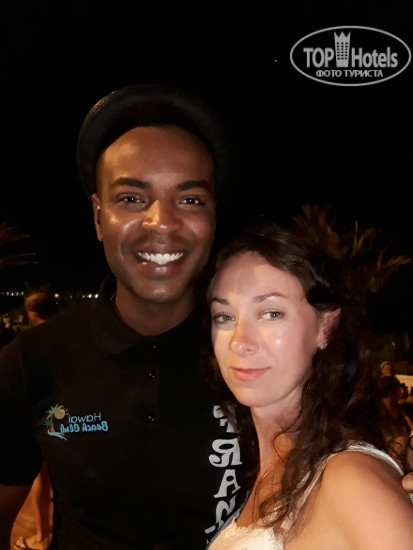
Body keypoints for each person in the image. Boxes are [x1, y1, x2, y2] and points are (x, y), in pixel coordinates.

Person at [0, 84, 253, 550]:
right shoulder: (33, 360)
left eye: (190, 199)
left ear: (214, 216)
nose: (162, 222)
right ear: (99, 218)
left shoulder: (255, 355)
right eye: (132, 198)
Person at [204, 223, 413, 549]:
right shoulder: (261, 468)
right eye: (225, 317)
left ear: (325, 326)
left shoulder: (350, 480)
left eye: (271, 313)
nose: (239, 342)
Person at [13, 291, 58, 550]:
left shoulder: (32, 342)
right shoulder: (75, 333)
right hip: (78, 415)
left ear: (32, 313)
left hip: (47, 414)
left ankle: (41, 537)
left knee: (41, 475)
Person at [379, 374, 413, 469]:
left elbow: (409, 424)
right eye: (399, 389)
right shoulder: (379, 410)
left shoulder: (398, 407)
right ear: (390, 392)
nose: (402, 391)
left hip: (399, 448)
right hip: (386, 449)